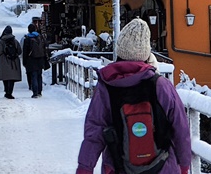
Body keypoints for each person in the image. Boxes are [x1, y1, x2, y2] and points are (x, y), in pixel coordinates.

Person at [76, 19, 191, 174]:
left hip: (118, 167)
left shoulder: (107, 86)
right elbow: (181, 129)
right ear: (146, 53)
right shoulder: (161, 85)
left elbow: (95, 129)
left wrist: (85, 167)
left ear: (120, 50)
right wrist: (184, 165)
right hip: (162, 168)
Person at [22, 23, 50, 98]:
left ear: (28, 30)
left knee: (33, 75)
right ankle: (40, 91)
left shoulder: (27, 39)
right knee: (39, 75)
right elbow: (45, 47)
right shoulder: (40, 37)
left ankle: (35, 92)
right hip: (40, 59)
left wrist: (24, 62)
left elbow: (25, 52)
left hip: (31, 60)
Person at [0, 26, 22, 99]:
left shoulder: (1, 41)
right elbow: (19, 51)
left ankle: (6, 91)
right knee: (12, 78)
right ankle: (10, 92)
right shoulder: (15, 41)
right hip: (14, 62)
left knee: (5, 77)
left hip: (4, 61)